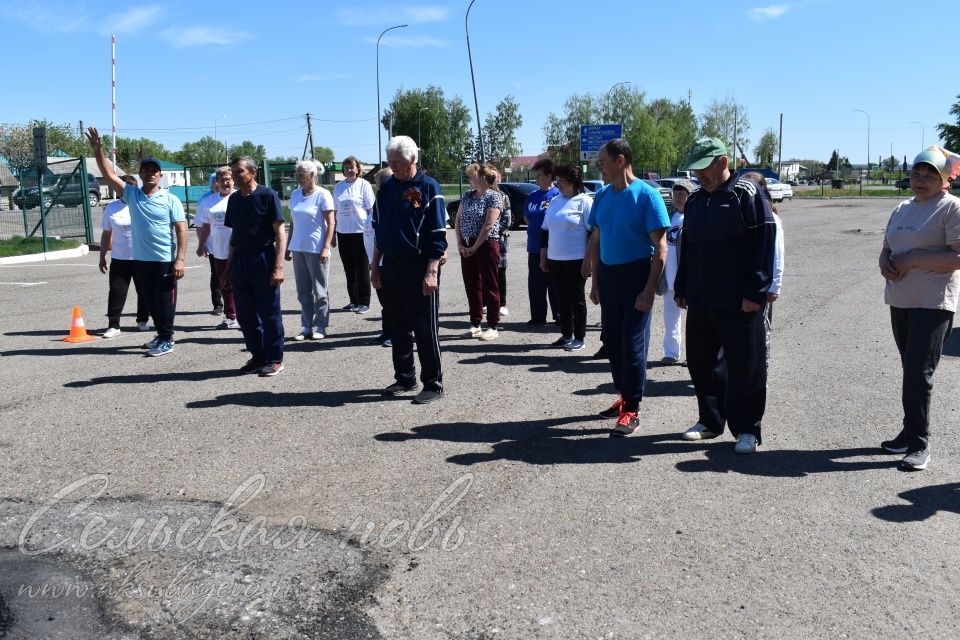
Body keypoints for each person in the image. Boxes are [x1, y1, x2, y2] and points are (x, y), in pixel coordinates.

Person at [675, 137, 777, 454]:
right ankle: (710, 421)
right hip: (702, 298)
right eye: (695, 170)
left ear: (722, 162)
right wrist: (682, 287)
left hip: (740, 301)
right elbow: (687, 249)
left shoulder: (746, 194)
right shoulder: (694, 202)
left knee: (746, 366)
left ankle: (747, 429)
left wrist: (755, 292)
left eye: (704, 168)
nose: (698, 176)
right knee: (702, 362)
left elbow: (765, 243)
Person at [878, 146, 960, 471]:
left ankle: (919, 444)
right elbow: (887, 248)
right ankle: (909, 430)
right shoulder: (901, 208)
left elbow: (957, 257)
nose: (921, 180)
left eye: (930, 175)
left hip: (933, 302)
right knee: (910, 372)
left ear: (944, 180)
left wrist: (912, 260)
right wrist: (885, 263)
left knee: (918, 373)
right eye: (917, 173)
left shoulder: (950, 208)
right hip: (901, 299)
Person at [585, 139, 670, 437]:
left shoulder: (647, 196)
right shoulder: (603, 195)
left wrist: (648, 289)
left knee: (632, 342)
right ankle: (624, 395)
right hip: (609, 276)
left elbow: (660, 247)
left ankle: (632, 408)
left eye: (602, 163)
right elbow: (596, 237)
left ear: (620, 161)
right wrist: (595, 281)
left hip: (636, 276)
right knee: (613, 342)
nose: (600, 169)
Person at [86, 127, 187, 357]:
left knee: (165, 302)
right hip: (141, 259)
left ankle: (167, 339)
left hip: (164, 260)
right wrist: (98, 150)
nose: (150, 173)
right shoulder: (132, 195)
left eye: (154, 170)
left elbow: (181, 231)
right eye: (146, 170)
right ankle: (161, 335)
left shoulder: (171, 200)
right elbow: (110, 175)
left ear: (160, 175)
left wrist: (180, 259)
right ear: (140, 175)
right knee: (150, 302)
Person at [370, 135, 447, 404]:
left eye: (397, 161)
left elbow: (435, 232)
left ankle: (433, 383)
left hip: (419, 267)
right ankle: (405, 378)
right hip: (391, 267)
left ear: (412, 159)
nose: (392, 166)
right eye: (389, 161)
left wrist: (432, 270)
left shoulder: (423, 188)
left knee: (424, 327)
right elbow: (379, 228)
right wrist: (375, 265)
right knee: (397, 325)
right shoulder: (389, 187)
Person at [224, 156, 287, 377]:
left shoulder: (268, 196)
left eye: (239, 171)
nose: (234, 175)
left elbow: (280, 232)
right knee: (245, 314)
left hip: (264, 259)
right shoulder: (234, 200)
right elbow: (235, 235)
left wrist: (278, 266)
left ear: (253, 172)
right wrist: (228, 268)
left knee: (269, 312)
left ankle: (274, 358)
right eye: (233, 171)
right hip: (241, 261)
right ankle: (258, 356)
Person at [539, 163, 593, 351]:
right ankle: (566, 334)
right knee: (561, 298)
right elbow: (545, 230)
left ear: (573, 181)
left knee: (576, 299)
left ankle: (579, 337)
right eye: (558, 180)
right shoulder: (555, 201)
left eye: (561, 180)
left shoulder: (585, 201)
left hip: (576, 259)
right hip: (555, 259)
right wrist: (543, 255)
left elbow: (592, 233)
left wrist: (589, 259)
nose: (558, 184)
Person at [285, 160, 336, 341]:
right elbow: (292, 223)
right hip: (298, 247)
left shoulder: (323, 194)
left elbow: (331, 223)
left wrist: (326, 247)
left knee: (320, 290)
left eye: (302, 175)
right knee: (303, 291)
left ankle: (321, 325)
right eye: (297, 174)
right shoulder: (296, 194)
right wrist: (287, 247)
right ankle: (306, 326)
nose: (298, 178)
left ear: (313, 175)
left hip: (316, 248)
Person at [455, 163, 503, 340]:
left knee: (490, 285)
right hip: (467, 244)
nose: (469, 180)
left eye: (471, 177)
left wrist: (474, 247)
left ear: (481, 178)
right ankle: (475, 324)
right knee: (472, 285)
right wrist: (460, 244)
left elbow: (489, 225)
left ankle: (492, 325)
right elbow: (458, 219)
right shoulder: (467, 195)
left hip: (486, 244)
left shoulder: (494, 196)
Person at [98, 174, 149, 338]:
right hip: (120, 259)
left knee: (144, 291)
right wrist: (101, 257)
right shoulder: (111, 208)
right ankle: (113, 325)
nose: (129, 189)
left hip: (142, 258)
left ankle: (142, 321)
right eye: (126, 186)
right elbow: (106, 234)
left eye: (133, 186)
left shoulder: (142, 205)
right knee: (116, 292)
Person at [195, 167, 239, 330]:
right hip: (218, 249)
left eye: (228, 179)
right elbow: (204, 224)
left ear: (233, 180)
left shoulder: (240, 197)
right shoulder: (209, 201)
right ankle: (231, 316)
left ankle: (245, 314)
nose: (225, 182)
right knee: (224, 283)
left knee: (241, 283)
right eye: (222, 180)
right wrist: (202, 245)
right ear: (216, 182)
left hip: (239, 249)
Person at [659, 180, 696, 364]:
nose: (679, 197)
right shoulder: (668, 216)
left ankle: (694, 355)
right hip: (669, 278)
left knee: (695, 321)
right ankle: (671, 352)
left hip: (688, 279)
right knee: (670, 318)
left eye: (683, 194)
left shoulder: (694, 217)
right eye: (676, 193)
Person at [334, 156, 376, 314]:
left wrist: (372, 231)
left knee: (362, 269)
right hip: (343, 233)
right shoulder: (338, 187)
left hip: (361, 232)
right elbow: (335, 211)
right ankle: (354, 300)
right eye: (346, 168)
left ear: (358, 169)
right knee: (349, 269)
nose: (349, 170)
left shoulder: (364, 185)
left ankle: (364, 302)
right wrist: (333, 234)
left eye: (352, 167)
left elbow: (371, 209)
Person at [524, 158, 560, 325]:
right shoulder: (532, 196)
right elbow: (527, 217)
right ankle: (538, 316)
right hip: (534, 248)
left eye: (539, 175)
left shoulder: (557, 195)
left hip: (554, 248)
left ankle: (559, 315)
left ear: (548, 176)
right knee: (536, 284)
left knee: (555, 284)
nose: (536, 179)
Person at [371, 167, 394, 347]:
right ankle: (387, 329)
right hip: (376, 258)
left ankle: (397, 333)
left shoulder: (408, 194)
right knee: (384, 299)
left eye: (382, 183)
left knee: (393, 299)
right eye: (378, 184)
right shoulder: (379, 200)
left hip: (391, 258)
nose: (380, 187)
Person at [195, 178, 223, 317]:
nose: (220, 184)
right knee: (216, 275)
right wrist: (203, 243)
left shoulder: (235, 196)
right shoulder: (206, 199)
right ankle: (217, 304)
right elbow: (200, 224)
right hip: (213, 245)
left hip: (232, 246)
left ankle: (236, 307)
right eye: (216, 181)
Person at [494, 170, 512, 318]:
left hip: (499, 240)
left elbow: (507, 220)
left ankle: (502, 304)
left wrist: (490, 232)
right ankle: (487, 302)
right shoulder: (479, 195)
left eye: (495, 177)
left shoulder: (503, 197)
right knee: (485, 274)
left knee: (501, 273)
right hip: (483, 241)